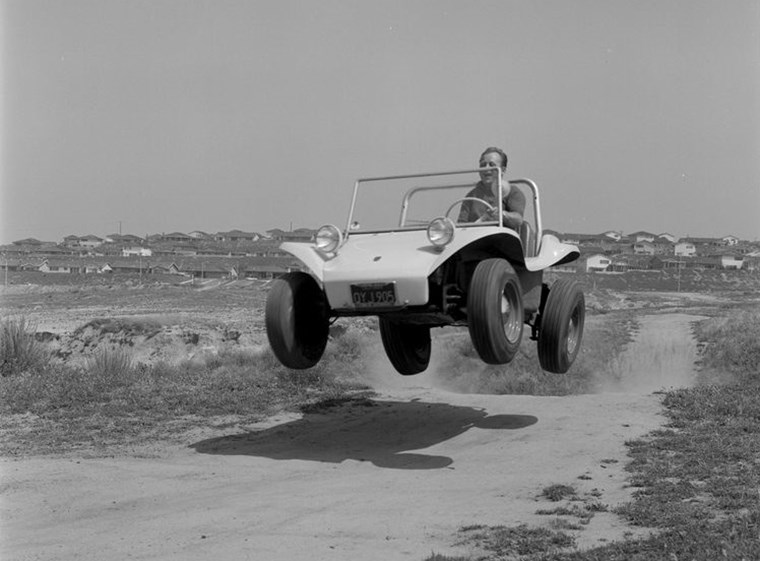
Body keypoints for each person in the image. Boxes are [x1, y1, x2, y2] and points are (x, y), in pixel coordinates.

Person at [457, 146, 525, 231]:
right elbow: (460, 227)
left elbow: (518, 220)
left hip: (501, 240)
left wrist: (501, 215)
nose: (486, 168)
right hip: (474, 240)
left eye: (492, 165)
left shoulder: (512, 191)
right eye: (483, 165)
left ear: (503, 170)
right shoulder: (470, 196)